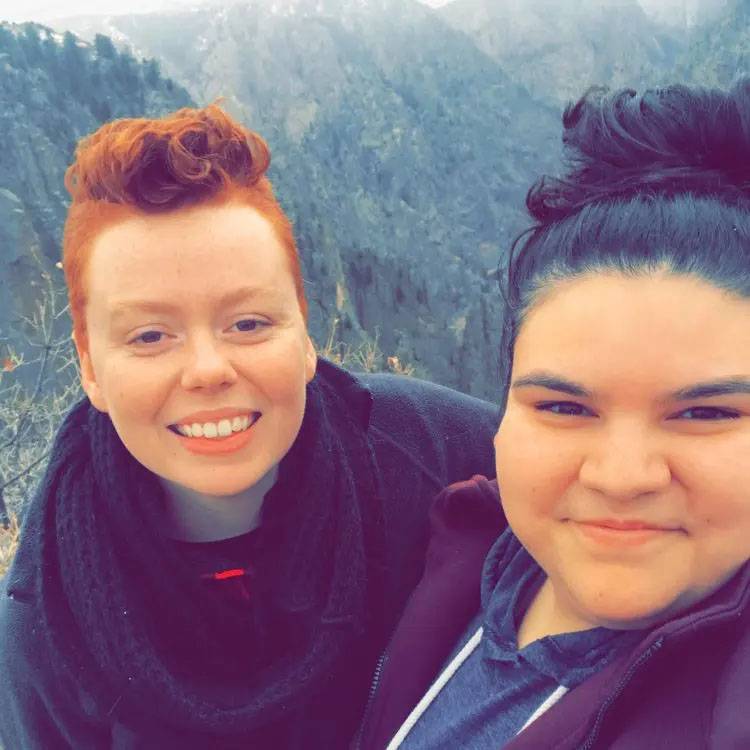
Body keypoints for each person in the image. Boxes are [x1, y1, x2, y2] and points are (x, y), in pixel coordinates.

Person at [0, 104, 500, 749]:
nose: (208, 370)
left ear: (305, 330)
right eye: (150, 335)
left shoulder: (437, 455)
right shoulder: (52, 620)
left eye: (248, 323)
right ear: (91, 366)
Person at [357, 81, 750, 750]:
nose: (622, 477)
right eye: (565, 406)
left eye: (704, 413)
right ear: (504, 406)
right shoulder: (468, 551)